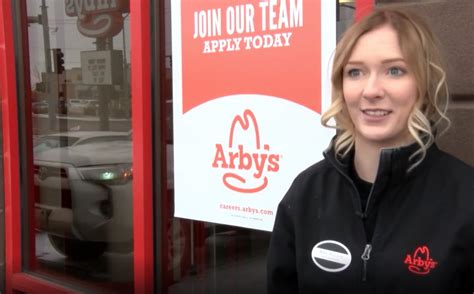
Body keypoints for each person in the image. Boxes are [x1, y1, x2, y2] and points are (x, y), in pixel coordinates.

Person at [267, 7, 474, 294]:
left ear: (423, 85)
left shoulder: (465, 197)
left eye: (394, 70)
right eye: (355, 72)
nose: (371, 90)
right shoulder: (305, 193)